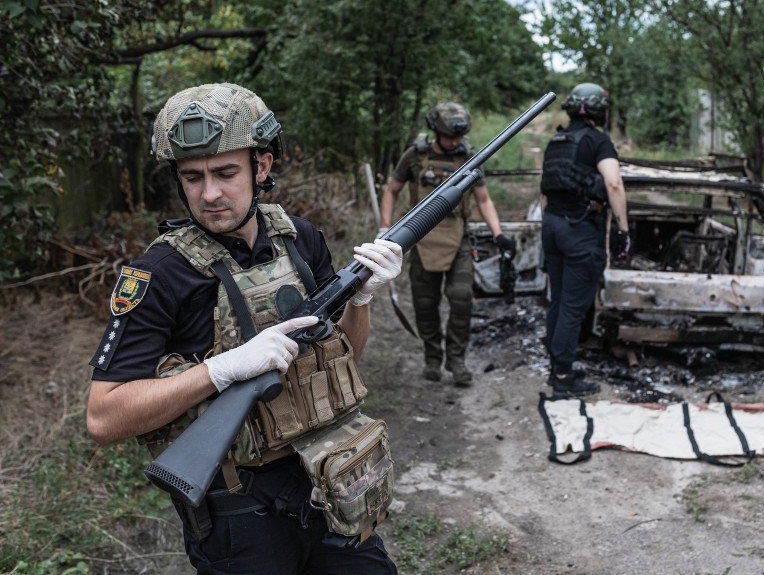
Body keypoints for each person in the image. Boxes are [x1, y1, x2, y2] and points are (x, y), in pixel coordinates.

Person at [86, 83, 401, 574]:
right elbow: (103, 418)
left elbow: (345, 359)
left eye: (226, 173)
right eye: (193, 178)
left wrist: (360, 299)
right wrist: (222, 370)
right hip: (239, 507)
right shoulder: (158, 274)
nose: (210, 193)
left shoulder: (300, 240)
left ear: (262, 167)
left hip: (330, 474)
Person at [379, 101, 514, 386]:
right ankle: (432, 358)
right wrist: (384, 226)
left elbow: (484, 199)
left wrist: (498, 233)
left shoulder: (470, 157)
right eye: (450, 136)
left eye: (459, 137)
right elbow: (392, 190)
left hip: (458, 237)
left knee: (462, 297)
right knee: (425, 303)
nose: (455, 142)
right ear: (436, 131)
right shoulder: (415, 156)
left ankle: (457, 360)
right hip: (421, 236)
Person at [540, 82, 629, 399]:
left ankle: (556, 366)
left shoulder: (557, 140)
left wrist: (548, 228)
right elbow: (614, 183)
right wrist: (623, 228)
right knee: (573, 308)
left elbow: (544, 190)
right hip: (579, 230)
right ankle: (563, 375)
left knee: (559, 300)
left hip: (552, 225)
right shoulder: (598, 141)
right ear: (599, 111)